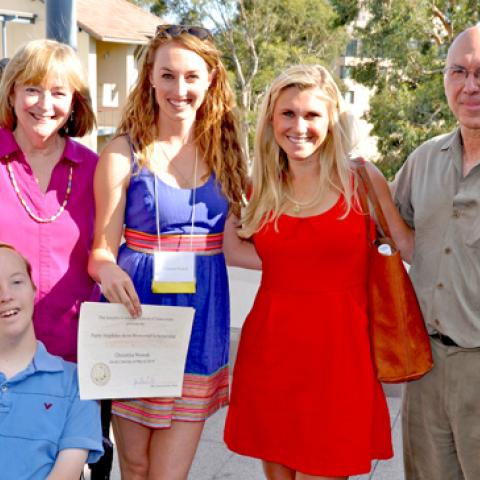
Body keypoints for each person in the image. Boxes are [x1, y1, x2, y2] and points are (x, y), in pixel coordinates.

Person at [223, 64, 413, 480]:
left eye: (311, 115)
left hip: (340, 360)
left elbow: (409, 245)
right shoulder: (258, 187)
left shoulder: (361, 180)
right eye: (287, 114)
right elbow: (233, 250)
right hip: (270, 355)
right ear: (271, 119)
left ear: (331, 120)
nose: (299, 126)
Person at [88, 24, 260, 479]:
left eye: (190, 77)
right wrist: (107, 272)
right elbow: (100, 251)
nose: (178, 89)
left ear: (210, 82)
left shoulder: (227, 155)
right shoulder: (122, 153)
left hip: (200, 321)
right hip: (136, 317)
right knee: (137, 466)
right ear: (150, 78)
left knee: (168, 473)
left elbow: (241, 239)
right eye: (167, 75)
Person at [393, 25, 480, 480]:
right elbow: (386, 228)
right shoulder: (423, 160)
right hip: (424, 365)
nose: (470, 86)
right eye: (458, 71)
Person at [0, 39, 99, 363]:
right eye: (32, 89)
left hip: (78, 365)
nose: (44, 104)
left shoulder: (95, 169)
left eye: (58, 93)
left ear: (74, 103)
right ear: (11, 93)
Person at [0, 242, 103, 480]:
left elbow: (65, 474)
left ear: (33, 290)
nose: (5, 295)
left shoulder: (76, 383)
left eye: (16, 282)